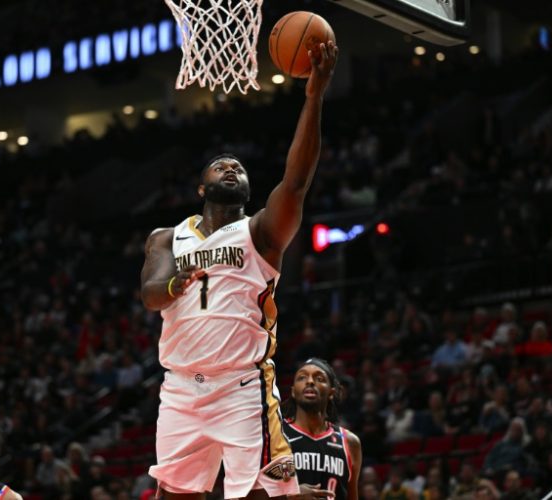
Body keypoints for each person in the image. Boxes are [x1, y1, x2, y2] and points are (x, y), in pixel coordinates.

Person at [140, 40, 339, 500]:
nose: (230, 168)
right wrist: (177, 282)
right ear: (200, 187)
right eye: (220, 166)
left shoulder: (261, 233)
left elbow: (297, 180)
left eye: (239, 168)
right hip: (180, 387)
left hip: (241, 386)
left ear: (248, 190)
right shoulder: (166, 237)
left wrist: (314, 97)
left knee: (260, 496)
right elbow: (151, 295)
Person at [282, 358, 362, 500]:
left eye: (319, 378)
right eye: (302, 377)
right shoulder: (276, 435)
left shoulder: (349, 442)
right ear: (293, 392)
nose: (310, 381)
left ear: (331, 392)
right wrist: (289, 497)